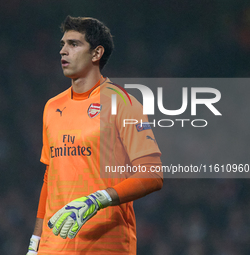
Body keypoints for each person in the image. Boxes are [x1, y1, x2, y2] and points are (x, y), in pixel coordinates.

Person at [26, 15, 163, 255]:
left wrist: (98, 199)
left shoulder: (122, 103)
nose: (63, 51)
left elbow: (152, 174)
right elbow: (50, 177)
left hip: (105, 246)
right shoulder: (52, 107)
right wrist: (35, 241)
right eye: (62, 44)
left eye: (74, 44)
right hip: (54, 247)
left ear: (96, 53)